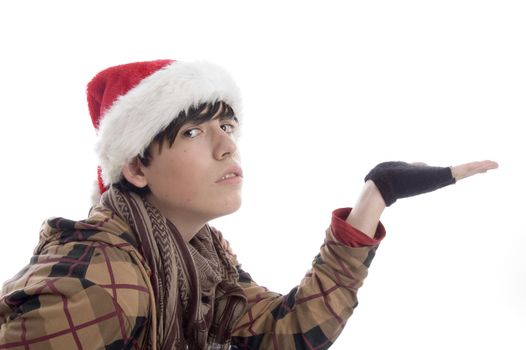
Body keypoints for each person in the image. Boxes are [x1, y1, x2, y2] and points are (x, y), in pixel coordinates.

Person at [0, 59, 498, 349]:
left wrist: (373, 199)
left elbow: (285, 334)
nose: (227, 146)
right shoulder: (107, 283)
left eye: (228, 127)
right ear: (135, 168)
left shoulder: (202, 259)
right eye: (194, 131)